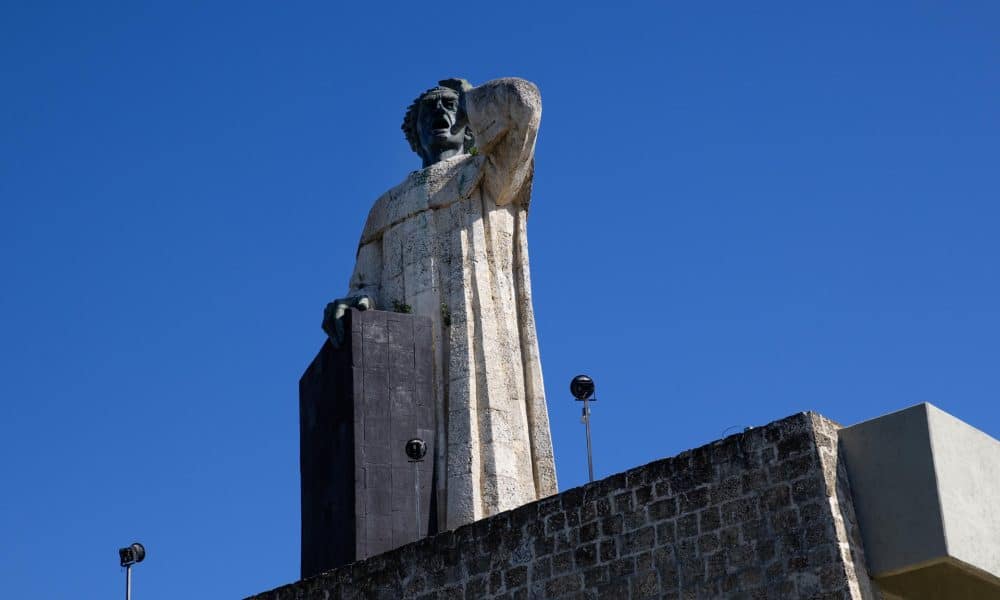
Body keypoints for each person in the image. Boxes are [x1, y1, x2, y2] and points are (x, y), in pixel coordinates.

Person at [323, 77, 557, 530]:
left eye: (450, 108)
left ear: (469, 123)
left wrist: (470, 99)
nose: (441, 115)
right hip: (405, 359)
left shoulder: (491, 175)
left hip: (478, 336)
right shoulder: (385, 208)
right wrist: (353, 306)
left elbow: (525, 106)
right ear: (414, 137)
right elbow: (364, 288)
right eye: (430, 110)